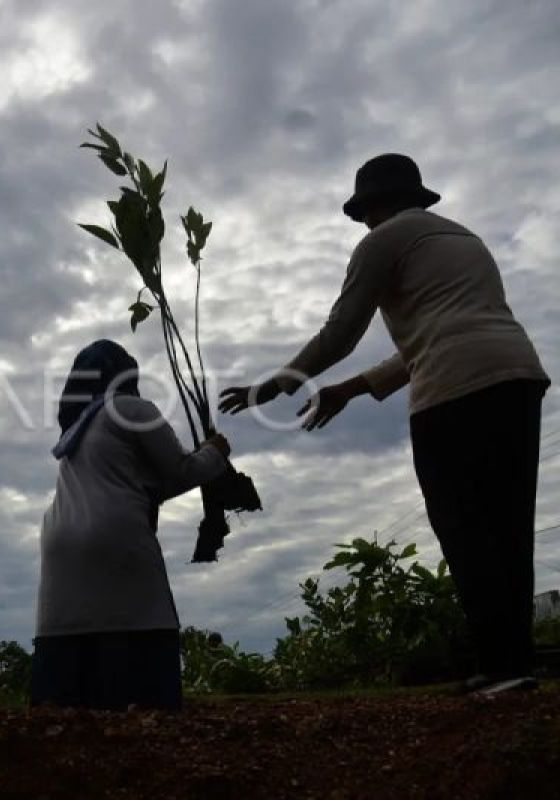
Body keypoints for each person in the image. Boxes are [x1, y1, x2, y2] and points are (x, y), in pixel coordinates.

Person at [219, 153, 550, 694]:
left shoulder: (383, 241)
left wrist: (274, 384)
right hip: (516, 374)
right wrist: (350, 389)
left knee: (464, 526)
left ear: (372, 205)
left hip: (452, 392)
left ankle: (500, 665)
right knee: (508, 525)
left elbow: (341, 331)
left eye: (363, 213)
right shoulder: (463, 240)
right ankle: (513, 665)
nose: (363, 224)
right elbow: (436, 337)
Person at [32, 340, 231, 711]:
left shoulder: (78, 431)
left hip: (59, 540)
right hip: (114, 534)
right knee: (143, 624)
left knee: (65, 691)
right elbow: (180, 470)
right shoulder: (130, 408)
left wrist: (208, 461)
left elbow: (144, 488)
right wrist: (215, 453)